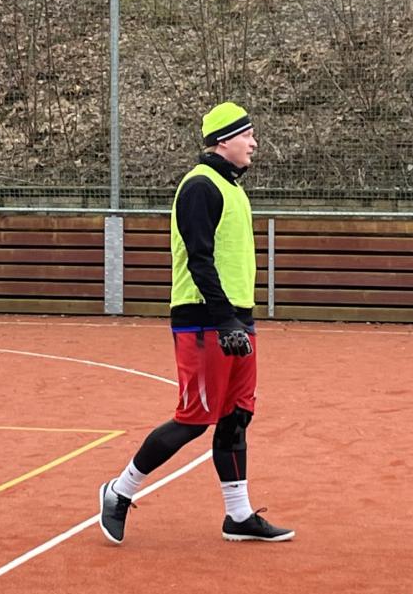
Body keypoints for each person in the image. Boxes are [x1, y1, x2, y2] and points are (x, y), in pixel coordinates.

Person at [98, 101, 294, 544]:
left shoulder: (231, 188)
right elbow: (199, 259)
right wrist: (224, 320)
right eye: (247, 135)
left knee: (237, 416)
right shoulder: (200, 186)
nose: (254, 143)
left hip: (235, 318)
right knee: (193, 419)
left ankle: (238, 515)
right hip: (205, 320)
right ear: (224, 139)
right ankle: (119, 491)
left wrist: (237, 319)